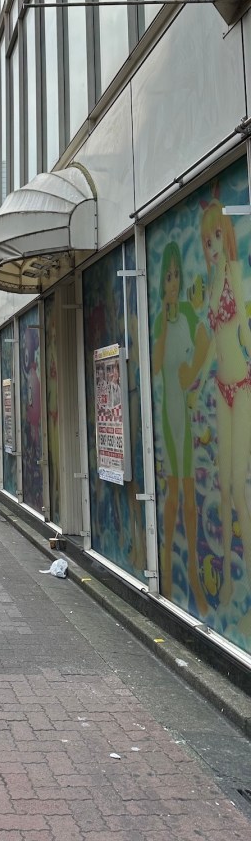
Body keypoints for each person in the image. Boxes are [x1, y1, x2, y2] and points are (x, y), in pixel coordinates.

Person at [188, 195, 251, 612]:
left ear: (224, 234)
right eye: (207, 239)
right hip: (220, 388)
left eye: (216, 235)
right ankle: (228, 579)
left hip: (241, 385)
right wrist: (196, 385)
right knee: (226, 489)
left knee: (239, 488)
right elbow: (214, 344)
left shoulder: (234, 272)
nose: (212, 245)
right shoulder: (212, 283)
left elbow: (243, 327)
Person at [152, 241, 207, 615]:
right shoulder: (162, 320)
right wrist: (164, 317)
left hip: (185, 413)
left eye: (176, 275)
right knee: (173, 492)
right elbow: (156, 365)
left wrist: (192, 372)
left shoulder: (188, 312)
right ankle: (167, 573)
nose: (172, 282)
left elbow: (204, 340)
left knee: (188, 492)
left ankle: (193, 578)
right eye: (167, 276)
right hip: (167, 415)